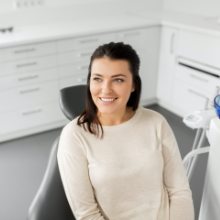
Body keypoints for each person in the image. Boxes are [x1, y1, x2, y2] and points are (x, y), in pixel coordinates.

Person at [57, 42, 194, 220]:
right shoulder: (74, 136)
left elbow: (179, 192)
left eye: (118, 79)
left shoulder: (156, 122)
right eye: (97, 78)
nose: (106, 89)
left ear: (133, 85)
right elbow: (87, 215)